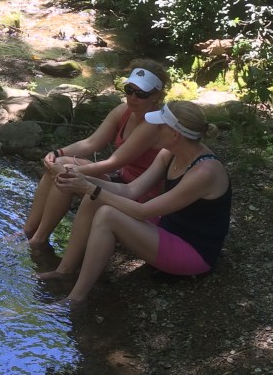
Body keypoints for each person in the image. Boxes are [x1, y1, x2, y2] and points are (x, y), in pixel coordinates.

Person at [38, 101, 231, 303]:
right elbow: (131, 190)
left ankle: (75, 299)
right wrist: (84, 181)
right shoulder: (169, 153)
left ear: (175, 134)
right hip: (168, 228)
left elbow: (142, 212)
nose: (154, 129)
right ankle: (64, 271)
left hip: (194, 252)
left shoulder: (205, 172)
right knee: (95, 200)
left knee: (107, 215)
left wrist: (89, 188)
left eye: (160, 126)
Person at [24, 59, 170, 248]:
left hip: (136, 192)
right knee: (58, 164)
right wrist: (57, 152)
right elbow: (91, 143)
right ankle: (29, 230)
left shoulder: (153, 123)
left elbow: (114, 162)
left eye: (141, 94)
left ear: (156, 96)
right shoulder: (124, 110)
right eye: (129, 90)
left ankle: (38, 240)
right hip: (118, 179)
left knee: (66, 174)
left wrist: (70, 170)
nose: (132, 97)